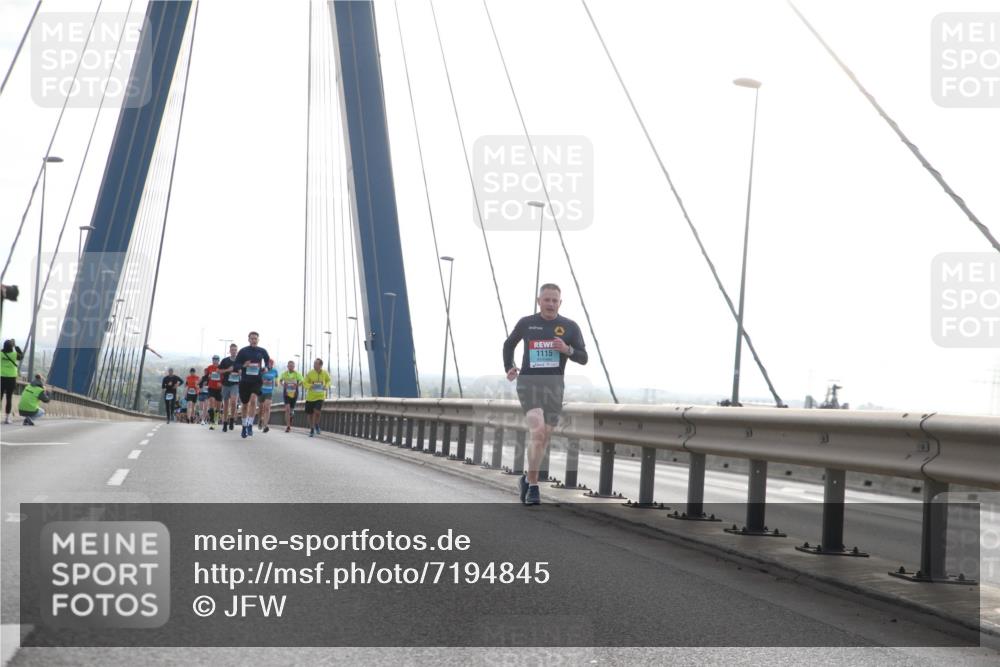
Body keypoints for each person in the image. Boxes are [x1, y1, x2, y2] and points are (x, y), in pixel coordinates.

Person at [503, 283, 588, 506]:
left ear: (560, 303)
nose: (550, 304)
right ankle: (533, 486)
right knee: (538, 432)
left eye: (554, 300)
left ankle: (526, 478)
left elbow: (583, 357)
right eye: (547, 299)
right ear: (539, 301)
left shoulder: (570, 327)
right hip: (529, 384)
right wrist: (509, 367)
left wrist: (566, 350)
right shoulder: (526, 323)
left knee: (544, 437)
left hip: (554, 387)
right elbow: (509, 344)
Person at [233, 331, 270, 438]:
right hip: (245, 381)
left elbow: (268, 361)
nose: (254, 340)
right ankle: (244, 426)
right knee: (244, 405)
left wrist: (267, 367)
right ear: (248, 339)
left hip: (256, 380)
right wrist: (244, 365)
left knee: (253, 400)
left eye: (255, 338)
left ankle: (250, 424)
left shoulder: (262, 351)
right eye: (252, 338)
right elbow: (236, 365)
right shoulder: (243, 351)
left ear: (258, 340)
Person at [303, 358, 331, 437]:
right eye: (314, 363)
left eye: (316, 363)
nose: (314, 365)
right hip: (310, 397)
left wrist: (326, 386)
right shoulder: (310, 373)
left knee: (317, 411)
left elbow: (329, 380)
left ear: (320, 365)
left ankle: (316, 424)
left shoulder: (325, 373)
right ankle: (312, 428)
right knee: (310, 414)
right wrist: (310, 386)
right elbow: (304, 383)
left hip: (320, 396)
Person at [217, 345, 240, 432]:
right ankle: (225, 422)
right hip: (226, 384)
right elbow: (218, 371)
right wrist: (227, 370)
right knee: (226, 404)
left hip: (235, 384)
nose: (234, 351)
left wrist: (239, 373)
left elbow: (244, 371)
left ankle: (232, 419)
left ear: (237, 351)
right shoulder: (225, 360)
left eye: (235, 350)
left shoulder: (239, 361)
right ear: (229, 351)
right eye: (232, 350)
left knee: (234, 402)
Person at [1, 338, 24, 424]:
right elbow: (21, 356)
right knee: (9, 398)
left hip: (1, 377)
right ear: (11, 347)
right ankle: (7, 418)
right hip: (11, 378)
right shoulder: (14, 355)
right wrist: (16, 346)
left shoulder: (1, 354)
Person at [279, 360, 303, 433]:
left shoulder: (297, 374)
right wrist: (283, 385)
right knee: (287, 409)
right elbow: (280, 380)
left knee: (291, 410)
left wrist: (297, 385)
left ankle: (291, 415)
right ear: (287, 366)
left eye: (292, 366)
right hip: (286, 393)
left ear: (294, 366)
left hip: (294, 393)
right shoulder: (284, 374)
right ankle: (288, 426)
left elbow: (302, 381)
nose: (291, 367)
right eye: (289, 366)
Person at [257, 358, 278, 433]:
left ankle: (265, 425)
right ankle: (260, 420)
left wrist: (276, 383)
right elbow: (258, 378)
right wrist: (263, 380)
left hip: (269, 391)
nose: (270, 364)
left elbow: (276, 380)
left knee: (267, 407)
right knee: (260, 409)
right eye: (269, 363)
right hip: (261, 391)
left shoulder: (275, 371)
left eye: (271, 363)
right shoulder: (262, 370)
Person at [204, 354, 223, 429]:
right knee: (211, 401)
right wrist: (207, 378)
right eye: (214, 359)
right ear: (212, 360)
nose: (215, 361)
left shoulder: (221, 367)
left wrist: (221, 383)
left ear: (219, 360)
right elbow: (206, 376)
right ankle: (211, 420)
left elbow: (225, 377)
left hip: (219, 389)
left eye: (216, 359)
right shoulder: (209, 367)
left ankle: (215, 421)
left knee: (218, 407)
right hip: (211, 388)